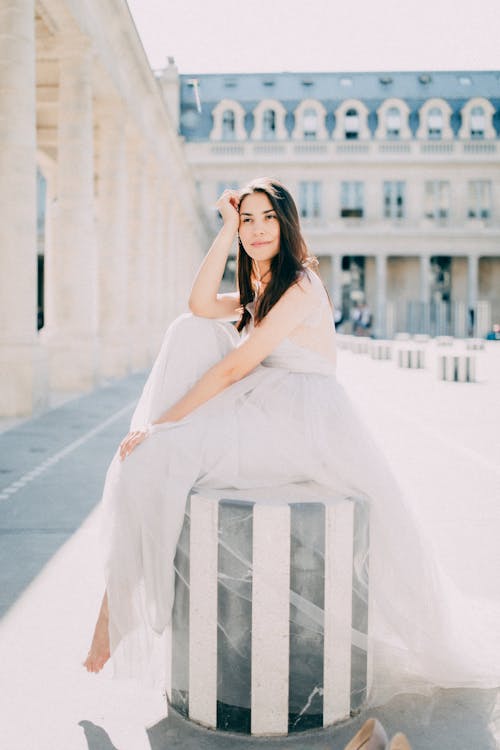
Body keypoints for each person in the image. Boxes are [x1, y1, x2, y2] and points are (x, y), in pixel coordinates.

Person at [84, 178, 500, 709]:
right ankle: (117, 598)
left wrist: (163, 424)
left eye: (267, 219)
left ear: (286, 224)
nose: (257, 230)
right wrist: (224, 231)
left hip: (303, 420)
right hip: (268, 406)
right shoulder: (262, 286)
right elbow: (197, 302)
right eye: (248, 220)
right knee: (187, 331)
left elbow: (236, 366)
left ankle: (120, 604)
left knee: (156, 453)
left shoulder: (301, 283)